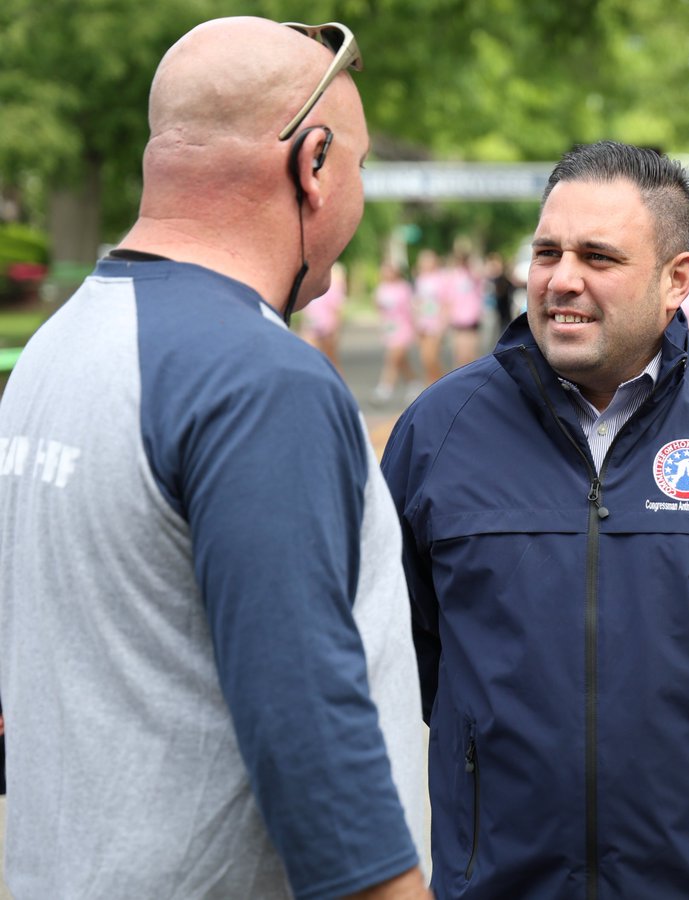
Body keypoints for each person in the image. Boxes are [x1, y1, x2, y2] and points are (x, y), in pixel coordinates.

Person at [381, 140, 689, 898]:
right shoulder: (437, 432)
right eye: (546, 251)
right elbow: (411, 659)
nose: (562, 280)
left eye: (598, 257)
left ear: (677, 278)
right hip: (501, 882)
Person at [0, 18, 430, 899]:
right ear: (312, 164)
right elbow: (308, 730)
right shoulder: (259, 380)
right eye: (358, 168)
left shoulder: (57, 347)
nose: (357, 194)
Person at [373, 260, 420, 406]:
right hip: (389, 329)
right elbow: (379, 308)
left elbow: (410, 309)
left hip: (403, 327)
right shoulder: (381, 288)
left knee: (392, 358)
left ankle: (385, 389)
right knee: (401, 361)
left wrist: (415, 328)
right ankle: (414, 384)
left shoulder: (403, 288)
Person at [300, 258, 348, 372]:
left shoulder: (334, 284)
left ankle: (338, 387)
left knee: (331, 359)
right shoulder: (310, 281)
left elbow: (337, 308)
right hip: (311, 324)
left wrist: (336, 328)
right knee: (308, 356)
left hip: (328, 324)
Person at [413, 247, 447, 386]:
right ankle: (431, 385)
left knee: (431, 357)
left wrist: (442, 326)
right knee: (424, 359)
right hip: (423, 322)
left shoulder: (441, 278)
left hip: (436, 323)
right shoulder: (420, 279)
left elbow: (446, 303)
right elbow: (418, 301)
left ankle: (442, 384)